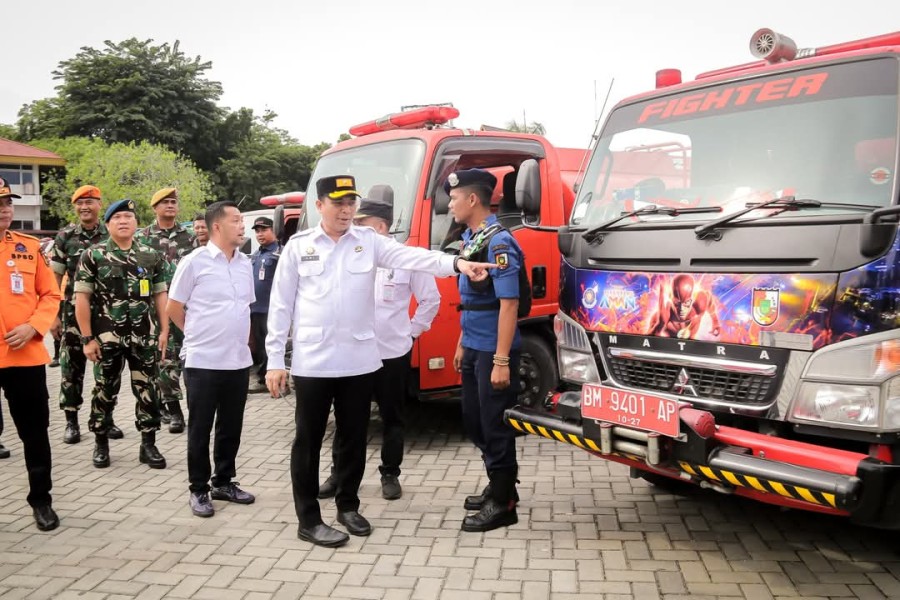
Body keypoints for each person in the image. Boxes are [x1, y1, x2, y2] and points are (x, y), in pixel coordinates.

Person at [265, 175, 495, 548]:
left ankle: (348, 506)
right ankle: (308, 519)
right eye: (338, 203)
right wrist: (275, 359)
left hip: (359, 359)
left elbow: (414, 258)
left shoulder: (368, 243)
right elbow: (280, 305)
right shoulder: (299, 246)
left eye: (350, 203)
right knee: (307, 442)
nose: (346, 210)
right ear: (319, 205)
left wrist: (458, 264)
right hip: (313, 362)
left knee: (353, 438)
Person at [319, 191, 439, 501]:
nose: (354, 227)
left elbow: (430, 300)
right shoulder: (350, 254)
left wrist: (411, 333)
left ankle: (390, 473)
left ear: (382, 227)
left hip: (391, 353)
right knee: (346, 417)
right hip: (354, 351)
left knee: (392, 417)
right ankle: (339, 474)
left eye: (363, 223)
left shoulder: (406, 258)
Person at [167, 201, 256, 517]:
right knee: (200, 428)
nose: (242, 225)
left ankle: (224, 481)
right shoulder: (194, 262)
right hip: (203, 361)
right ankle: (199, 489)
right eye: (236, 220)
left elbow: (245, 308)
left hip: (237, 360)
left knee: (231, 426)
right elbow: (174, 308)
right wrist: (198, 334)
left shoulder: (245, 263)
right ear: (217, 226)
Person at [447, 168, 523, 532]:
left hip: (495, 350)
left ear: (472, 199)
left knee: (495, 426)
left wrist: (502, 360)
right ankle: (499, 482)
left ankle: (504, 502)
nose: (450, 204)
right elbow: (470, 301)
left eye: (454, 197)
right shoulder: (472, 238)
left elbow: (508, 304)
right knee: (474, 422)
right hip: (474, 345)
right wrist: (462, 342)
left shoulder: (499, 242)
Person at [74, 199, 168, 470]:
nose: (124, 221)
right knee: (104, 389)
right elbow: (81, 298)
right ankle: (101, 443)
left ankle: (148, 444)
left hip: (144, 336)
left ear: (136, 223)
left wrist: (163, 331)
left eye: (128, 216)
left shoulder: (151, 255)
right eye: (117, 218)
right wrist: (87, 338)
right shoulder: (94, 255)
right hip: (106, 338)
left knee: (148, 389)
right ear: (107, 224)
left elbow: (161, 294)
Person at [0, 177, 61, 530]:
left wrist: (34, 327)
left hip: (24, 356)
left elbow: (50, 295)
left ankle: (41, 500)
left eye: (8, 202)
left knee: (35, 433)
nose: (5, 208)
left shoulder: (28, 247)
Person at [51, 185, 124, 444]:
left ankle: (106, 418)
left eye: (90, 202)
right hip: (72, 314)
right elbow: (54, 278)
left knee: (108, 370)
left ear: (99, 204)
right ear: (75, 207)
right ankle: (71, 421)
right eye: (80, 203)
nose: (85, 207)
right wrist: (54, 315)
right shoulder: (65, 236)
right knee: (71, 369)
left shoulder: (111, 234)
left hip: (106, 316)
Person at [136, 187, 194, 434]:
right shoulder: (143, 237)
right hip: (158, 307)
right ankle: (174, 411)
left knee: (189, 356)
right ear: (155, 208)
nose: (170, 206)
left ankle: (192, 406)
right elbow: (139, 274)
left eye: (173, 202)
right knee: (165, 359)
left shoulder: (189, 236)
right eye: (165, 202)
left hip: (186, 306)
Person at [248, 216, 280, 393]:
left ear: (274, 231)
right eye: (257, 231)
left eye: (264, 230)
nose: (260, 234)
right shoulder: (256, 254)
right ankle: (263, 378)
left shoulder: (280, 253)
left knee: (270, 344)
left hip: (271, 308)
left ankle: (265, 379)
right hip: (255, 308)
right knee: (258, 345)